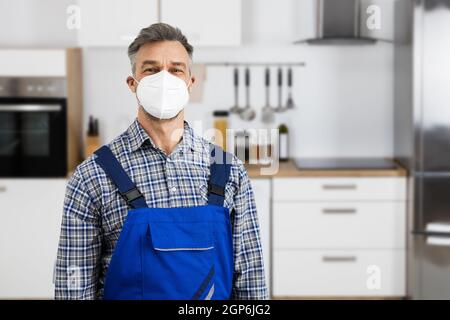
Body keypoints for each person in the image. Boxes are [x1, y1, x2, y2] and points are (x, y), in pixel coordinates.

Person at [54, 23, 268, 300]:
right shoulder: (92, 176)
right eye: (151, 69)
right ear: (133, 83)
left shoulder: (229, 171)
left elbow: (251, 278)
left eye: (176, 69)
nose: (164, 79)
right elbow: (73, 281)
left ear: (190, 83)